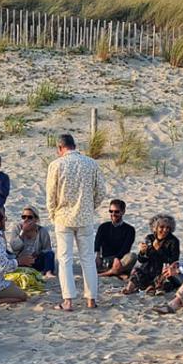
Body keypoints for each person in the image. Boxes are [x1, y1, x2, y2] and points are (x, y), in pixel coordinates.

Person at [45, 133, 109, 311]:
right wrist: (91, 206)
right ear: (74, 145)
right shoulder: (90, 163)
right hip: (85, 216)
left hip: (63, 217)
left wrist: (52, 214)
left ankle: (68, 300)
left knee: (65, 259)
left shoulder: (56, 165)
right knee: (87, 259)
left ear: (60, 148)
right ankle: (91, 299)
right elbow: (101, 191)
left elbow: (51, 194)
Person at [123, 214, 182, 294]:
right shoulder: (149, 238)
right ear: (155, 228)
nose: (165, 230)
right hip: (148, 269)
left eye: (168, 228)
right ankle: (130, 288)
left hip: (163, 269)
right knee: (137, 273)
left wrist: (159, 250)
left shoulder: (174, 241)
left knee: (165, 281)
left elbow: (173, 261)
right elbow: (141, 260)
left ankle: (152, 287)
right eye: (162, 227)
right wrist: (142, 252)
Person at [96, 199, 138, 279]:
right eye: (111, 211)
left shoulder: (130, 229)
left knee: (133, 256)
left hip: (121, 260)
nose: (113, 214)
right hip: (106, 260)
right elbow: (97, 244)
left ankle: (110, 272)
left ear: (123, 212)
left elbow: (126, 248)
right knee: (88, 259)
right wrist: (97, 256)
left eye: (116, 212)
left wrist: (117, 258)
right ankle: (117, 273)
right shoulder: (103, 227)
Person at [9, 206, 56, 274]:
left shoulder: (42, 231)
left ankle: (48, 273)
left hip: (35, 261)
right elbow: (14, 247)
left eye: (30, 217)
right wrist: (23, 232)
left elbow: (47, 249)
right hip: (20, 260)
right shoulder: (17, 228)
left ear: (36, 219)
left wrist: (36, 255)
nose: (26, 219)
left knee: (50, 254)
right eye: (24, 217)